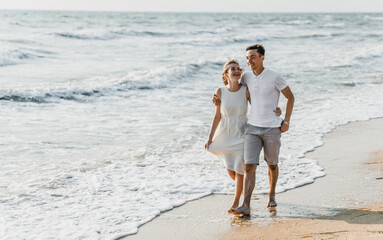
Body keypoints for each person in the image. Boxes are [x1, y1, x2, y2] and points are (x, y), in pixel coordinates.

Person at [205, 59, 282, 213]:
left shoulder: (245, 90)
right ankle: (248, 185)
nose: (236, 71)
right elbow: (217, 116)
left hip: (242, 132)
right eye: (232, 69)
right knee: (231, 171)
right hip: (225, 133)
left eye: (238, 68)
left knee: (241, 170)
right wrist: (210, 138)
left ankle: (237, 203)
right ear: (226, 74)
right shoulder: (220, 91)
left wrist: (276, 111)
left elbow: (259, 106)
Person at [229, 44, 295, 215]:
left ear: (262, 57)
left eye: (252, 57)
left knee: (272, 164)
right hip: (252, 127)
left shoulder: (274, 76)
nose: (249, 61)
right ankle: (246, 205)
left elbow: (290, 97)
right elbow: (236, 91)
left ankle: (272, 195)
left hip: (272, 128)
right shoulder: (246, 77)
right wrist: (219, 98)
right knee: (249, 166)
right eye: (247, 58)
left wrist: (286, 120)